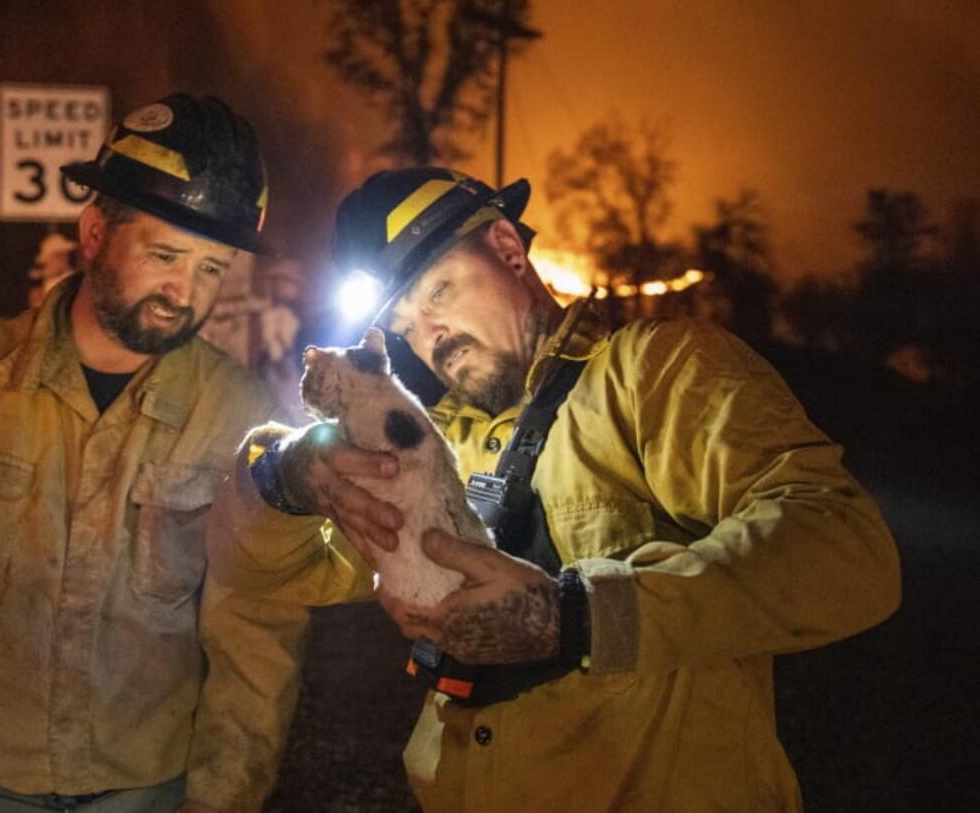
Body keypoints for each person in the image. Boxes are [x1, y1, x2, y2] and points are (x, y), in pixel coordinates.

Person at [205, 167, 902, 811]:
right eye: (406, 325)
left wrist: (577, 617)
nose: (432, 335)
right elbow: (257, 569)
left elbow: (845, 547)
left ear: (508, 248)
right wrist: (286, 475)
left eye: (439, 291)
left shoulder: (653, 375)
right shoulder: (427, 446)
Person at [0, 94, 303, 813]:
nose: (184, 292)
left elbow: (257, 630)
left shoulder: (241, 419)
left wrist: (223, 795)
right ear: (95, 232)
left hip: (146, 790)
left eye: (211, 268)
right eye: (166, 254)